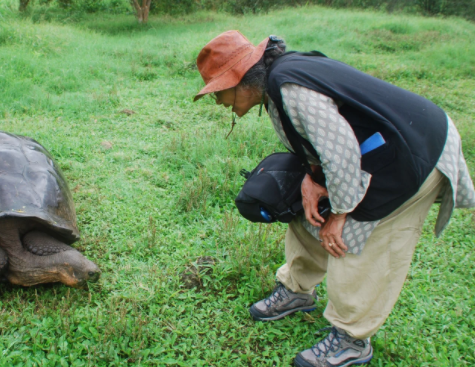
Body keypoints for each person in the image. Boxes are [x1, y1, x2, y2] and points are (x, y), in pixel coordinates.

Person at [193, 30, 475, 367]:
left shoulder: (289, 87)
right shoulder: (277, 82)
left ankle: (353, 339)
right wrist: (312, 179)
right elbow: (321, 139)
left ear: (239, 80)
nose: (219, 102)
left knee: (359, 237)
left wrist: (340, 213)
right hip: (376, 148)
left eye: (219, 92)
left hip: (412, 150)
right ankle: (297, 291)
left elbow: (341, 153)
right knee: (304, 211)